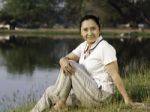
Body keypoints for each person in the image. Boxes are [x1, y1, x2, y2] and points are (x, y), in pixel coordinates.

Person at [31, 15, 134, 112]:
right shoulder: (84, 46)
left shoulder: (105, 48)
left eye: (93, 28)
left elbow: (115, 75)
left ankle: (61, 102)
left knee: (70, 64)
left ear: (100, 29)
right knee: (50, 90)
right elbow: (66, 58)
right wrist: (62, 60)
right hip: (86, 93)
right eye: (85, 30)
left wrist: (126, 99)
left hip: (101, 96)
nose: (89, 33)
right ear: (80, 32)